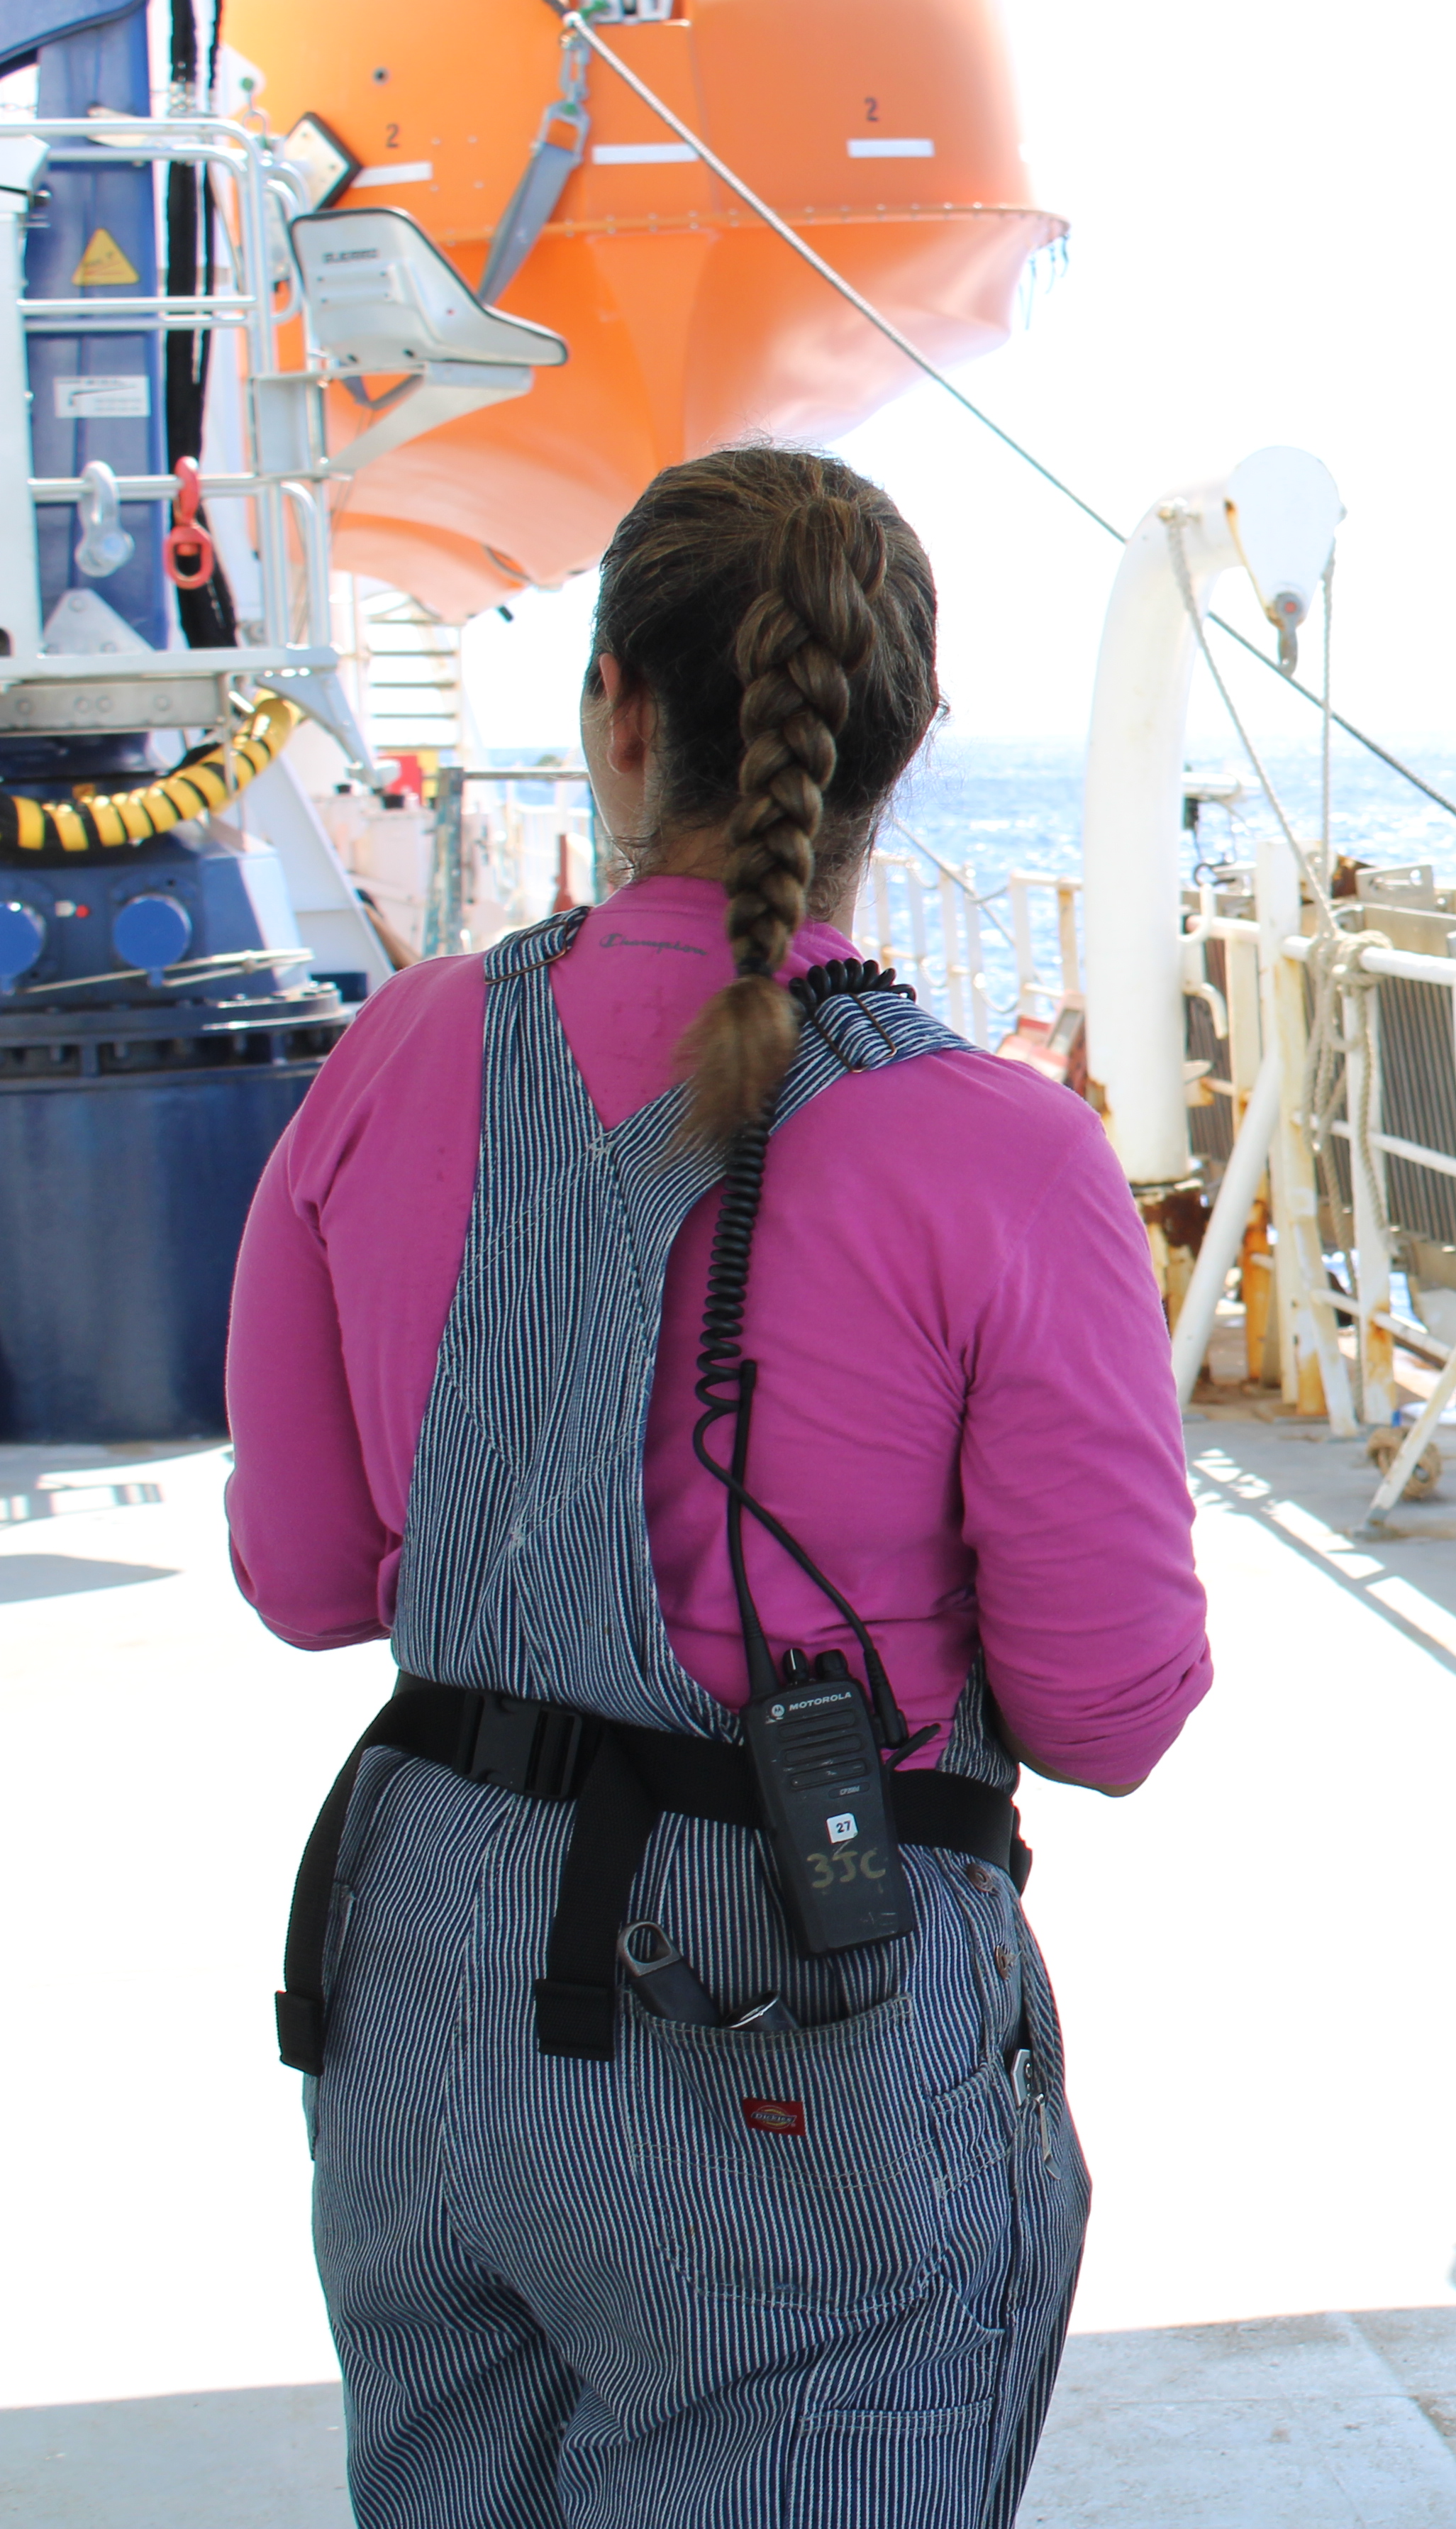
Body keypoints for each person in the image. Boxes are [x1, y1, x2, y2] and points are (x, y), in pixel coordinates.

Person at [228, 446, 1215, 2524]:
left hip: (429, 1987)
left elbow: (308, 1574)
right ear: (902, 750)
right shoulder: (997, 1149)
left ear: (616, 713)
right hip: (783, 2007)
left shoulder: (394, 1054)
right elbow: (1111, 1710)